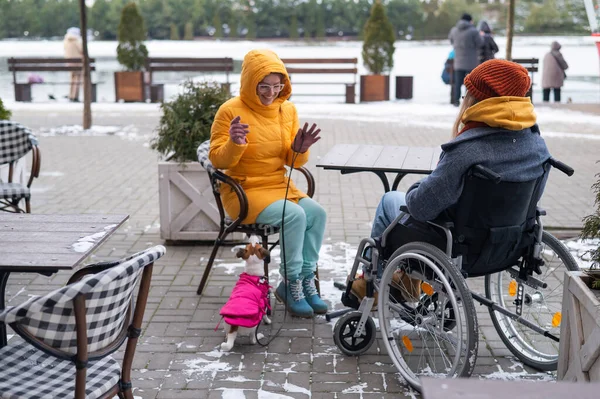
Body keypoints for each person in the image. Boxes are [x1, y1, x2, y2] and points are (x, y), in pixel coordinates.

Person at [370, 59, 551, 261]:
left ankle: (368, 279)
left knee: (389, 200)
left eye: (467, 93)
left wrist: (419, 185)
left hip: (457, 243)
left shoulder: (467, 150)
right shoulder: (537, 145)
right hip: (507, 242)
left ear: (478, 100)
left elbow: (421, 208)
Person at [209, 49, 327, 318]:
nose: (271, 92)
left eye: (277, 85)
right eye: (263, 86)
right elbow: (217, 160)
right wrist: (234, 144)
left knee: (318, 214)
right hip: (242, 190)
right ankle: (292, 282)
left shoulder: (287, 110)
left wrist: (300, 149)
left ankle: (306, 280)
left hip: (277, 185)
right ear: (250, 83)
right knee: (295, 215)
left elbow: (292, 161)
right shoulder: (229, 111)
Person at [448, 13, 483, 106]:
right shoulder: (474, 31)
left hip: (458, 62)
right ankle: (468, 102)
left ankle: (456, 101)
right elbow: (480, 43)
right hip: (471, 62)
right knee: (470, 83)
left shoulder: (454, 30)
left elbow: (451, 41)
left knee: (458, 82)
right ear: (470, 20)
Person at [63, 27, 83, 102]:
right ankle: (75, 96)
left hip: (69, 63)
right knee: (77, 78)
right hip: (77, 63)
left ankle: (71, 95)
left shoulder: (66, 41)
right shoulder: (77, 41)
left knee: (72, 78)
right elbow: (82, 50)